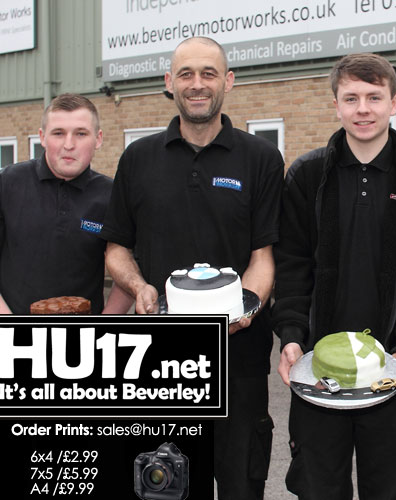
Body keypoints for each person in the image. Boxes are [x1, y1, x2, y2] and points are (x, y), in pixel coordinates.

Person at [99, 37, 284, 499]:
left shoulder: (260, 158)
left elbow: (264, 257)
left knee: (241, 485)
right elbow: (116, 249)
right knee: (167, 488)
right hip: (159, 363)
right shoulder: (138, 160)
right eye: (185, 74)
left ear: (228, 81)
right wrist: (139, 287)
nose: (197, 84)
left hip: (238, 359)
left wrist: (247, 308)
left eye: (208, 73)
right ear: (169, 83)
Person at [273, 52, 396, 500]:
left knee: (387, 490)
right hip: (317, 369)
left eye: (374, 97)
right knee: (318, 488)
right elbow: (292, 266)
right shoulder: (307, 175)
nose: (363, 109)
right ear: (336, 105)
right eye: (351, 98)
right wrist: (292, 335)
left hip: (392, 368)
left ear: (394, 103)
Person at [0, 93, 132, 500]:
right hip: (10, 365)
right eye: (58, 133)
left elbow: (129, 275)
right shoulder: (2, 187)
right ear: (41, 136)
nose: (68, 144)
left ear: (99, 138)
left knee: (77, 484)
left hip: (80, 373)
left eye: (80, 133)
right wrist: (14, 332)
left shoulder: (112, 198)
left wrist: (103, 333)